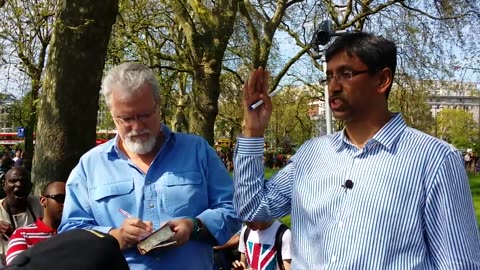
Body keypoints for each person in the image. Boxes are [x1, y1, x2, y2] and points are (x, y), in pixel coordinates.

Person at [233, 32, 480, 269]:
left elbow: (457, 262)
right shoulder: (311, 155)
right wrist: (253, 131)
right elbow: (253, 209)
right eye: (328, 77)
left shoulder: (433, 159)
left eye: (346, 74)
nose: (333, 86)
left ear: (382, 80)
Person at [58, 62, 241, 270]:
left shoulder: (197, 151)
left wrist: (194, 226)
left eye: (144, 115)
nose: (137, 127)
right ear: (112, 114)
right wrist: (116, 236)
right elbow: (71, 233)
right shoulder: (91, 165)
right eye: (126, 118)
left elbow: (233, 209)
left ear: (159, 105)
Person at [5, 181, 65, 264]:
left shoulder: (78, 233)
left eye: (69, 199)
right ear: (43, 201)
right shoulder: (22, 235)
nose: (65, 204)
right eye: (60, 199)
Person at [0, 167, 42, 266]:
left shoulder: (41, 204)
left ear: (31, 186)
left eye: (24, 181)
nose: (19, 184)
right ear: (4, 185)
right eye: (13, 181)